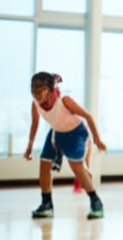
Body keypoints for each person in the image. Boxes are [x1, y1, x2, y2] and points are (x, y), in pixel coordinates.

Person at [24, 72, 107, 220]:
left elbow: (87, 116)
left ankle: (96, 202)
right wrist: (29, 146)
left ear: (50, 90)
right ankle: (47, 204)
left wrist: (97, 139)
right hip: (57, 132)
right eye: (33, 91)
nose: (36, 94)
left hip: (75, 133)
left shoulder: (64, 101)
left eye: (40, 91)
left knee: (78, 169)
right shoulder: (35, 104)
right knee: (44, 165)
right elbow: (34, 125)